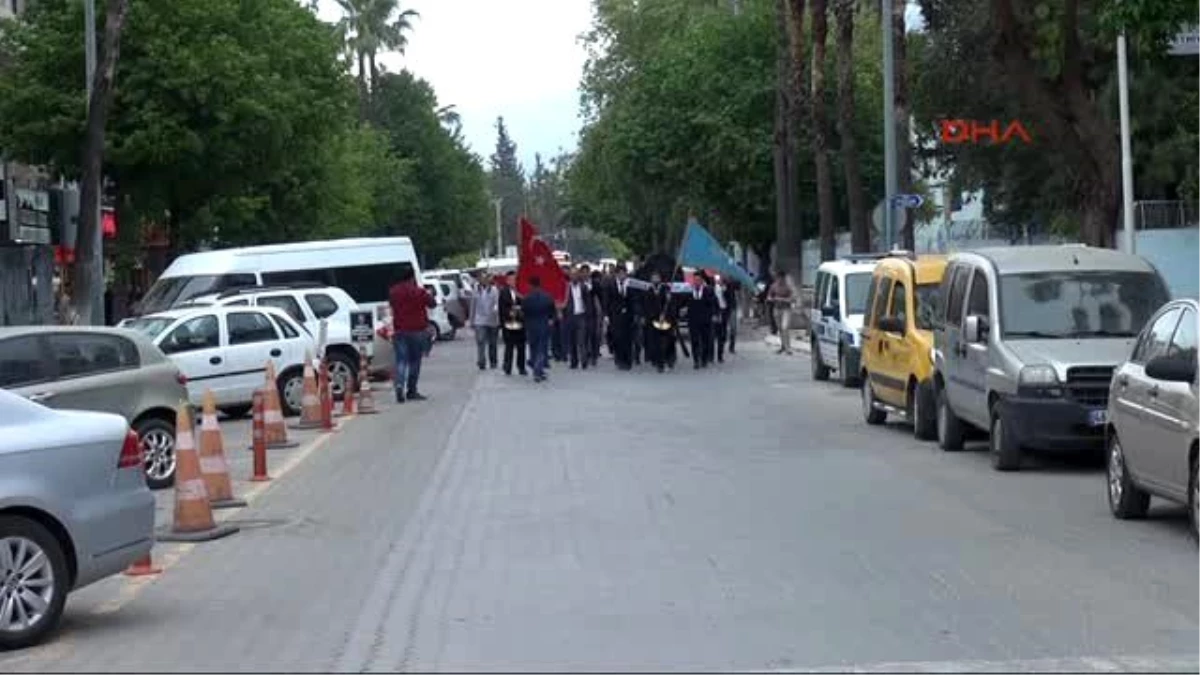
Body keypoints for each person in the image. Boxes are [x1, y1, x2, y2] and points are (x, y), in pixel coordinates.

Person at [388, 266, 437, 402]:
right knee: (415, 361)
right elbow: (432, 304)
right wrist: (430, 294)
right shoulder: (419, 292)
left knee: (401, 360)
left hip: (400, 331)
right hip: (417, 331)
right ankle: (411, 390)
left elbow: (392, 305)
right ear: (412, 277)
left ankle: (399, 385)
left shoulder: (393, 292)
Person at [521, 275, 556, 382]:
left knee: (533, 348)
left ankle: (537, 369)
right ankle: (538, 370)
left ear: (530, 285)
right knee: (542, 349)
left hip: (531, 326)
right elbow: (552, 312)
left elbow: (524, 313)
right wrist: (550, 320)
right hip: (543, 325)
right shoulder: (548, 297)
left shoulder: (526, 298)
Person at [607, 264, 636, 370]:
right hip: (616, 316)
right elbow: (607, 301)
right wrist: (607, 315)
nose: (621, 275)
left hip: (628, 317)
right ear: (616, 274)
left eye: (623, 273)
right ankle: (619, 360)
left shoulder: (631, 285)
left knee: (628, 340)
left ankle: (628, 361)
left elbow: (634, 300)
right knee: (617, 338)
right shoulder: (611, 285)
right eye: (619, 273)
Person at [644, 272, 675, 373]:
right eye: (653, 278)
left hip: (666, 319)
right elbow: (647, 306)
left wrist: (669, 299)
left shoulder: (666, 289)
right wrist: (655, 316)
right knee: (655, 342)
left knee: (667, 341)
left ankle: (668, 359)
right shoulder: (648, 290)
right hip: (654, 320)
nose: (655, 279)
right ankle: (659, 363)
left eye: (657, 277)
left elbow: (670, 304)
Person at [498, 271, 527, 376]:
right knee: (509, 347)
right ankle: (507, 367)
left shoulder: (521, 291)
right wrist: (503, 323)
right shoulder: (503, 292)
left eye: (514, 279)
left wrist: (520, 311)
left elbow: (524, 305)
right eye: (511, 279)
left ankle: (521, 367)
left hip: (520, 323)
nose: (513, 281)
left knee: (521, 347)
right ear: (507, 281)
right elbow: (501, 309)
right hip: (508, 323)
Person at [687, 271, 717, 369]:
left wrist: (714, 315)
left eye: (699, 280)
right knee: (694, 340)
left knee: (705, 341)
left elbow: (713, 304)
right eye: (695, 280)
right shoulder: (689, 292)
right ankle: (696, 360)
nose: (697, 282)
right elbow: (683, 303)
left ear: (702, 280)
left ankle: (704, 359)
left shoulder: (708, 290)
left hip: (705, 320)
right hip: (693, 320)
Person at [470, 273, 500, 370]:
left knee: (492, 342)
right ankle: (481, 361)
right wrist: (471, 320)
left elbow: (497, 303)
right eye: (481, 278)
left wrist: (496, 312)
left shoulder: (494, 290)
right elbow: (472, 306)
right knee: (480, 341)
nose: (483, 280)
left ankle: (493, 361)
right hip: (479, 320)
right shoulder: (475, 290)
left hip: (492, 319)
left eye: (485, 278)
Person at [564, 267, 590, 369]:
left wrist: (587, 314)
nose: (574, 276)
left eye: (575, 274)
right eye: (572, 274)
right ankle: (574, 362)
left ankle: (584, 361)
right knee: (572, 340)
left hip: (581, 316)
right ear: (569, 276)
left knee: (581, 340)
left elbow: (588, 302)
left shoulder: (583, 287)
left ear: (578, 276)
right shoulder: (566, 288)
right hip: (570, 316)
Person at [768, 270, 796, 355]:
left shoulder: (788, 287)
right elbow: (769, 296)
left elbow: (792, 299)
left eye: (781, 278)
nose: (780, 280)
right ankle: (783, 346)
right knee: (780, 328)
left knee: (785, 327)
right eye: (778, 278)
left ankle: (788, 348)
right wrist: (771, 299)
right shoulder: (773, 286)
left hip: (786, 309)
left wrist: (781, 299)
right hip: (777, 309)